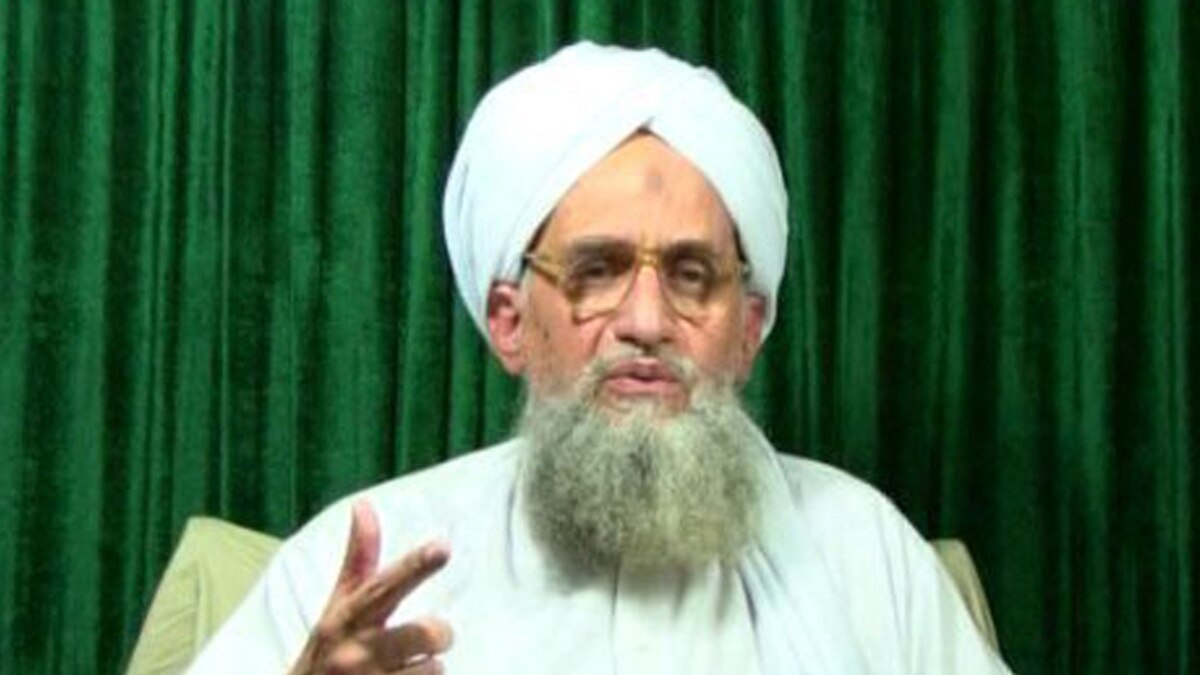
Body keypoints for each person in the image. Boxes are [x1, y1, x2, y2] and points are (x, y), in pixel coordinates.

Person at [188, 42, 1012, 674]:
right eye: (597, 271)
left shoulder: (864, 553)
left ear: (749, 328)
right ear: (509, 323)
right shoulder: (367, 567)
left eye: (692, 275)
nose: (646, 321)